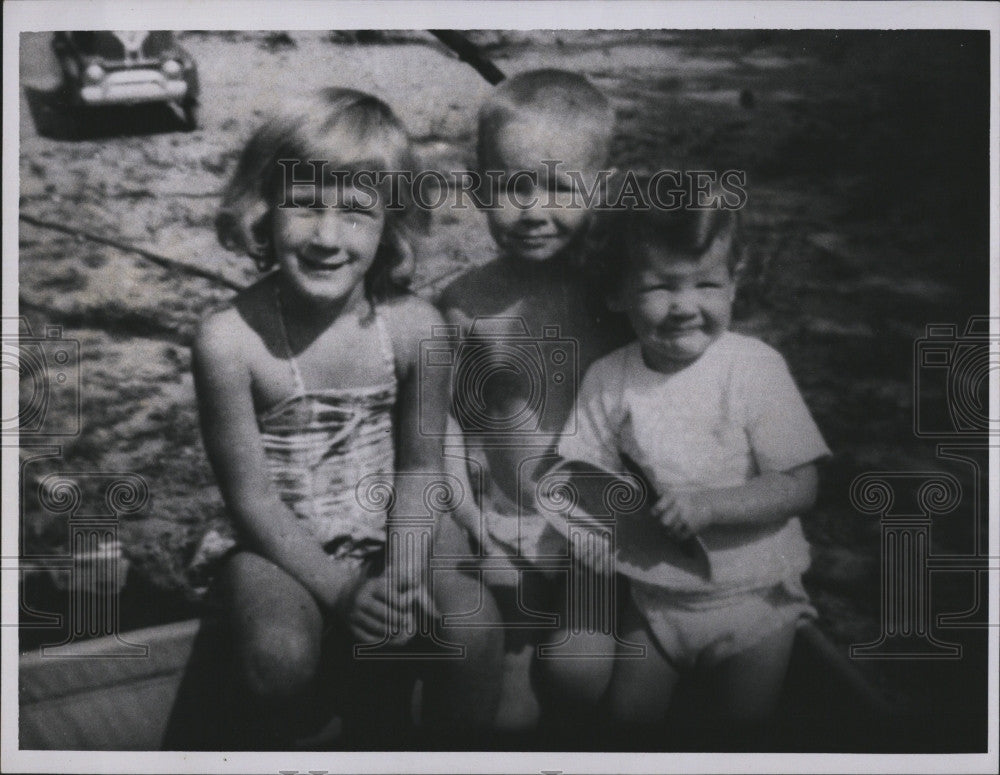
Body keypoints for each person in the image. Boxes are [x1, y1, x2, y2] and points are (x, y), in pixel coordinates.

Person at [193, 88, 497, 748]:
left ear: (390, 224)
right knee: (276, 656)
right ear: (262, 209)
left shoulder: (415, 328)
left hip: (395, 525)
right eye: (303, 204)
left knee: (473, 629)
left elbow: (421, 465)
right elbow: (253, 502)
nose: (328, 236)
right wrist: (340, 590)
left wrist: (403, 573)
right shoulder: (229, 341)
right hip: (277, 541)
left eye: (356, 212)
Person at [555, 201, 832, 744]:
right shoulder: (611, 380)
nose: (685, 306)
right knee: (628, 722)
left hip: (754, 601)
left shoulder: (752, 368)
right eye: (660, 288)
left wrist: (711, 507)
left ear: (735, 282)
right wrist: (590, 535)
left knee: (739, 730)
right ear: (616, 293)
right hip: (656, 603)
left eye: (706, 284)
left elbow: (802, 485)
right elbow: (583, 480)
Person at [437, 69, 630, 733]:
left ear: (599, 190)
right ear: (477, 185)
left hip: (599, 533)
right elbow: (452, 431)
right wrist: (468, 517)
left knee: (581, 679)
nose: (534, 210)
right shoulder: (467, 305)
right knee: (512, 713)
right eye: (513, 185)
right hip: (508, 527)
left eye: (561, 186)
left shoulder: (616, 295)